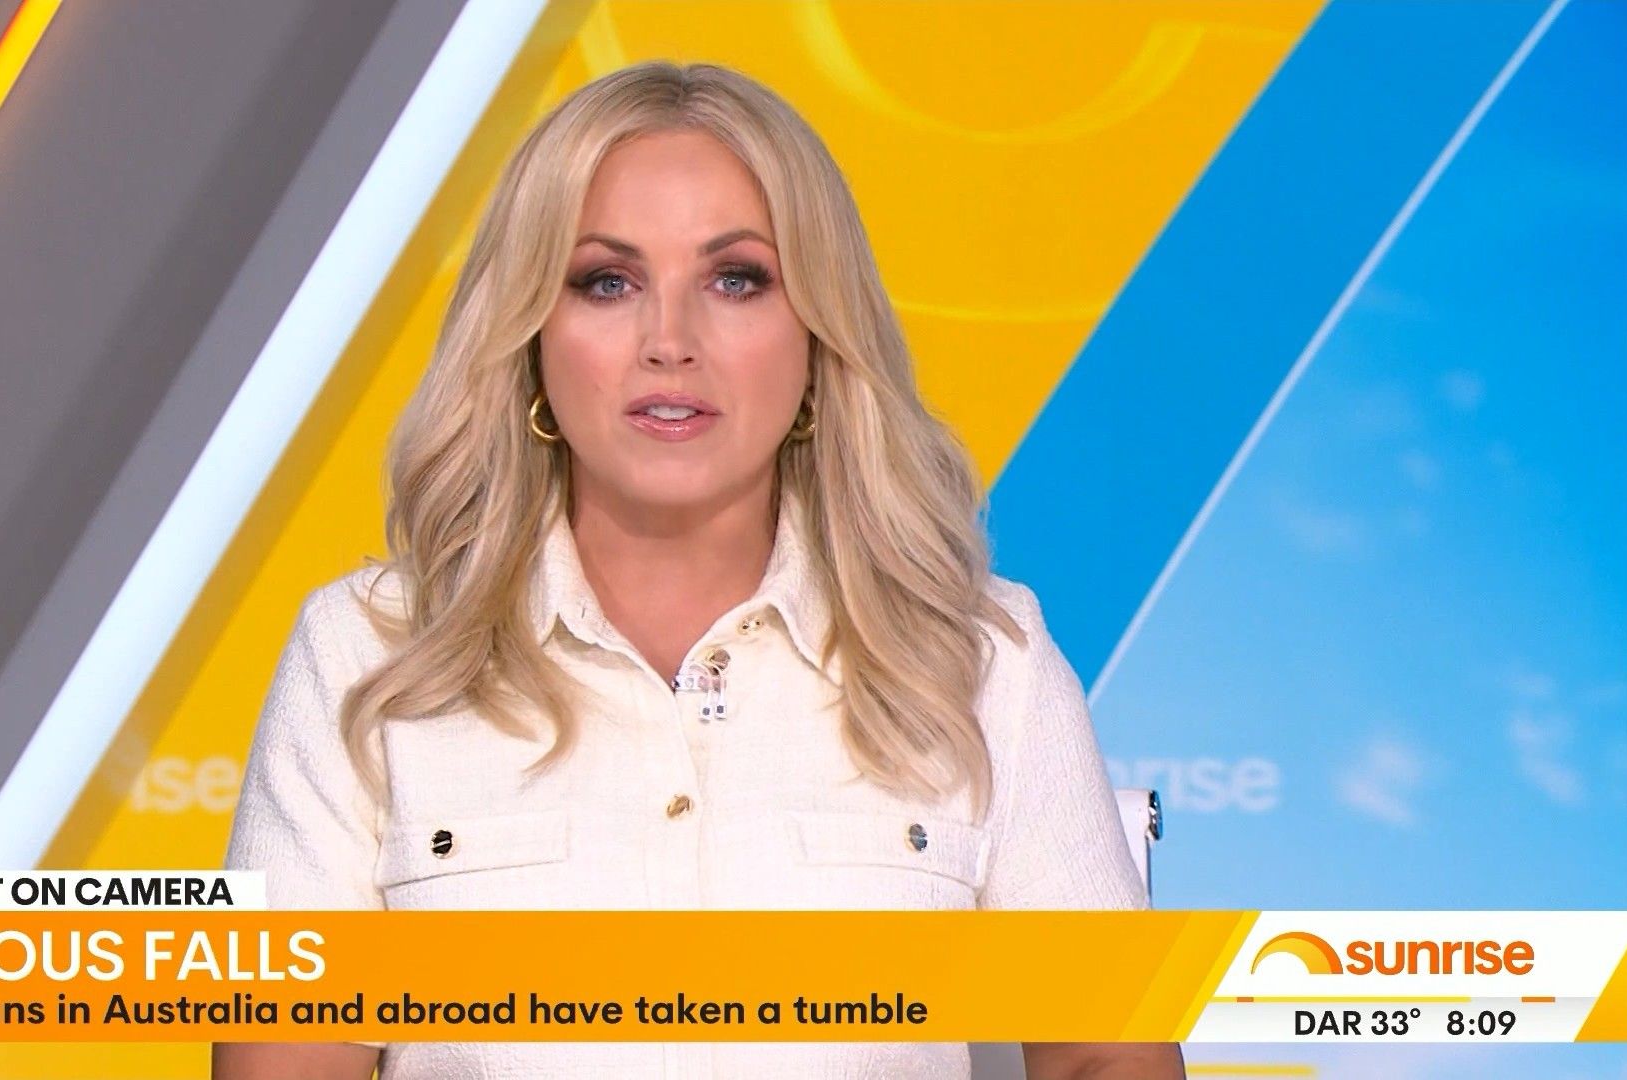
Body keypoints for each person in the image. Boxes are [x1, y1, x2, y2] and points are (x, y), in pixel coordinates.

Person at [213, 60, 1178, 1080]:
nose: (669, 342)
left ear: (818, 334)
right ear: (531, 335)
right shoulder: (363, 652)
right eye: (607, 282)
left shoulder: (982, 659)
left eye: (736, 279)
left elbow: (1104, 1057)